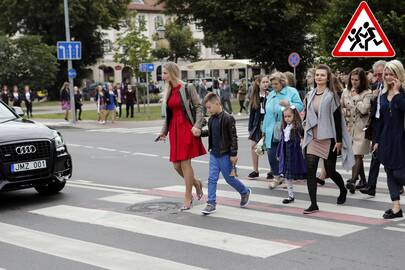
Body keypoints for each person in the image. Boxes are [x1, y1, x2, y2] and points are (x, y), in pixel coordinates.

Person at [302, 64, 354, 214]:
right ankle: (313, 204)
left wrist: (338, 140)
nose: (319, 77)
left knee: (330, 171)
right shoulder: (310, 94)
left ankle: (343, 189)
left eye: (322, 75)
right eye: (317, 75)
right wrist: (302, 135)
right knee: (310, 171)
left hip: (328, 137)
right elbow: (307, 117)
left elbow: (337, 120)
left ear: (327, 78)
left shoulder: (332, 96)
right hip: (313, 136)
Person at [157, 62, 206, 211]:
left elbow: (199, 107)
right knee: (176, 166)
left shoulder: (187, 87)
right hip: (174, 130)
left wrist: (197, 125)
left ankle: (187, 197)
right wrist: (163, 132)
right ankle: (196, 183)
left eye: (165, 73)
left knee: (185, 164)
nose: (162, 76)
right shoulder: (168, 90)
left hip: (186, 128)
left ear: (172, 73)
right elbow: (168, 116)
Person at [199, 92, 251, 215]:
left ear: (217, 103)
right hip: (214, 154)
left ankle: (244, 192)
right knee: (212, 179)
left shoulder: (228, 118)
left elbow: (233, 138)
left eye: (209, 107)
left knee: (229, 179)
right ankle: (211, 203)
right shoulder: (211, 119)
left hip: (225, 154)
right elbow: (211, 133)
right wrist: (200, 133)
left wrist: (233, 154)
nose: (208, 110)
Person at [374, 60, 405, 219]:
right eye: (386, 74)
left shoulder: (403, 93)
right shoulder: (383, 96)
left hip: (401, 138)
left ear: (398, 75)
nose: (387, 77)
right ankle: (396, 207)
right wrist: (376, 140)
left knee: (400, 173)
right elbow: (380, 120)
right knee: (390, 172)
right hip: (387, 138)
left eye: (391, 74)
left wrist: (398, 94)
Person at [263, 72, 304, 189]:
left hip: (286, 127)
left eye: (276, 84)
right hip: (271, 129)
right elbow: (267, 113)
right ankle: (277, 177)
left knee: (286, 154)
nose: (274, 86)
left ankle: (287, 178)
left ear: (282, 82)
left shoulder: (291, 91)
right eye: (272, 84)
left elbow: (300, 106)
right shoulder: (271, 94)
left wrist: (289, 104)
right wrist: (264, 130)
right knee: (271, 154)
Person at [341, 68, 373, 193]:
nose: (354, 82)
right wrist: (345, 111)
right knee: (355, 154)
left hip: (362, 127)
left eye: (356, 80)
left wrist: (356, 98)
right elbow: (342, 107)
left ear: (362, 80)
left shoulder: (367, 93)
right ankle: (363, 180)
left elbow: (364, 110)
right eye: (352, 79)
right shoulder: (345, 91)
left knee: (357, 154)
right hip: (349, 127)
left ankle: (353, 181)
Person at [359, 60, 386, 196]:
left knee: (385, 155)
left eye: (380, 74)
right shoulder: (377, 85)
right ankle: (371, 186)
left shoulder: (394, 86)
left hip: (388, 126)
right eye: (376, 74)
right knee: (376, 155)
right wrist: (374, 98)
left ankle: (397, 183)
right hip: (377, 124)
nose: (378, 77)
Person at [276, 105, 307, 204]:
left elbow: (304, 136)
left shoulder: (297, 127)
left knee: (297, 174)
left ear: (294, 115)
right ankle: (290, 196)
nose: (287, 119)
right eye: (285, 117)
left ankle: (310, 191)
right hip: (286, 155)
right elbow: (282, 142)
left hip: (295, 155)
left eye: (289, 116)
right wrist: (278, 153)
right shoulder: (285, 128)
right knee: (287, 176)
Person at [248, 75, 269, 178]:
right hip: (257, 123)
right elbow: (251, 114)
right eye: (264, 82)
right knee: (254, 146)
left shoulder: (270, 95)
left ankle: (273, 171)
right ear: (258, 83)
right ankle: (255, 170)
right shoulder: (255, 96)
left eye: (267, 82)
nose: (266, 84)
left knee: (269, 147)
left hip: (268, 123)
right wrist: (250, 128)